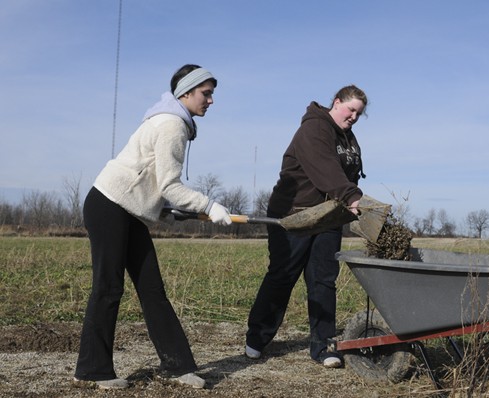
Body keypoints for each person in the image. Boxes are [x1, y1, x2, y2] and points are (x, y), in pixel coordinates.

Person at [74, 64, 232, 389]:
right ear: (185, 93)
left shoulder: (171, 121)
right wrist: (208, 205)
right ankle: (92, 369)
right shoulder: (172, 124)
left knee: (152, 290)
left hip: (126, 209)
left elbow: (151, 184)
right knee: (108, 288)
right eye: (206, 93)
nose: (211, 100)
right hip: (110, 205)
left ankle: (178, 365)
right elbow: (170, 185)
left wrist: (167, 212)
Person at [245, 85, 368, 368]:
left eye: (359, 113)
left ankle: (323, 346)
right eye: (351, 109)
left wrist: (349, 200)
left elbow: (347, 173)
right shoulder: (314, 128)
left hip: (327, 216)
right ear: (336, 102)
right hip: (293, 214)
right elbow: (324, 167)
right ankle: (256, 338)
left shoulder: (348, 138)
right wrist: (350, 195)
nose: (354, 117)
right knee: (282, 275)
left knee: (323, 280)